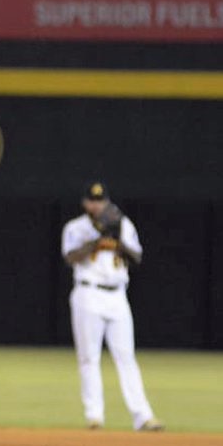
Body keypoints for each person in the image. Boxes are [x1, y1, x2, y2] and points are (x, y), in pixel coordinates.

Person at [61, 181, 163, 432]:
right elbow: (70, 257)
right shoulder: (76, 227)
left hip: (117, 296)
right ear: (85, 203)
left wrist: (117, 240)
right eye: (92, 200)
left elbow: (137, 257)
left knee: (126, 357)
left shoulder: (123, 224)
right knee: (88, 358)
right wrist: (97, 239)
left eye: (101, 200)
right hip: (88, 293)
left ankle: (143, 417)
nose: (97, 204)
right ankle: (94, 416)